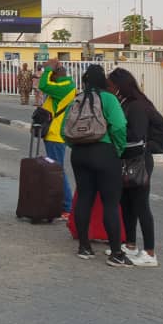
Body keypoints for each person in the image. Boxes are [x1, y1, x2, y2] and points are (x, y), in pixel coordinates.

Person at [66, 65, 129, 266]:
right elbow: (119, 125)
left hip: (79, 153)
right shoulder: (108, 98)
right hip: (104, 152)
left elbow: (63, 129)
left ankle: (84, 247)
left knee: (84, 197)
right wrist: (117, 149)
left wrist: (76, 144)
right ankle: (116, 253)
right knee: (110, 202)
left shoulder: (77, 98)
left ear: (85, 81)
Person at [107, 68, 161, 267]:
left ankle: (149, 252)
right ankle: (129, 244)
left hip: (139, 161)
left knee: (141, 206)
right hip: (126, 160)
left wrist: (114, 132)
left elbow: (136, 134)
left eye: (110, 85)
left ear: (119, 86)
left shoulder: (137, 106)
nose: (108, 88)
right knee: (126, 204)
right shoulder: (124, 103)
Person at [38, 61, 75, 219]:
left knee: (58, 171)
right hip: (52, 134)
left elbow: (43, 85)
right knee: (57, 170)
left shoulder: (65, 86)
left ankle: (67, 206)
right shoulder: (62, 85)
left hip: (56, 135)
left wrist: (47, 70)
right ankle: (63, 204)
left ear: (55, 74)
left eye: (51, 74)